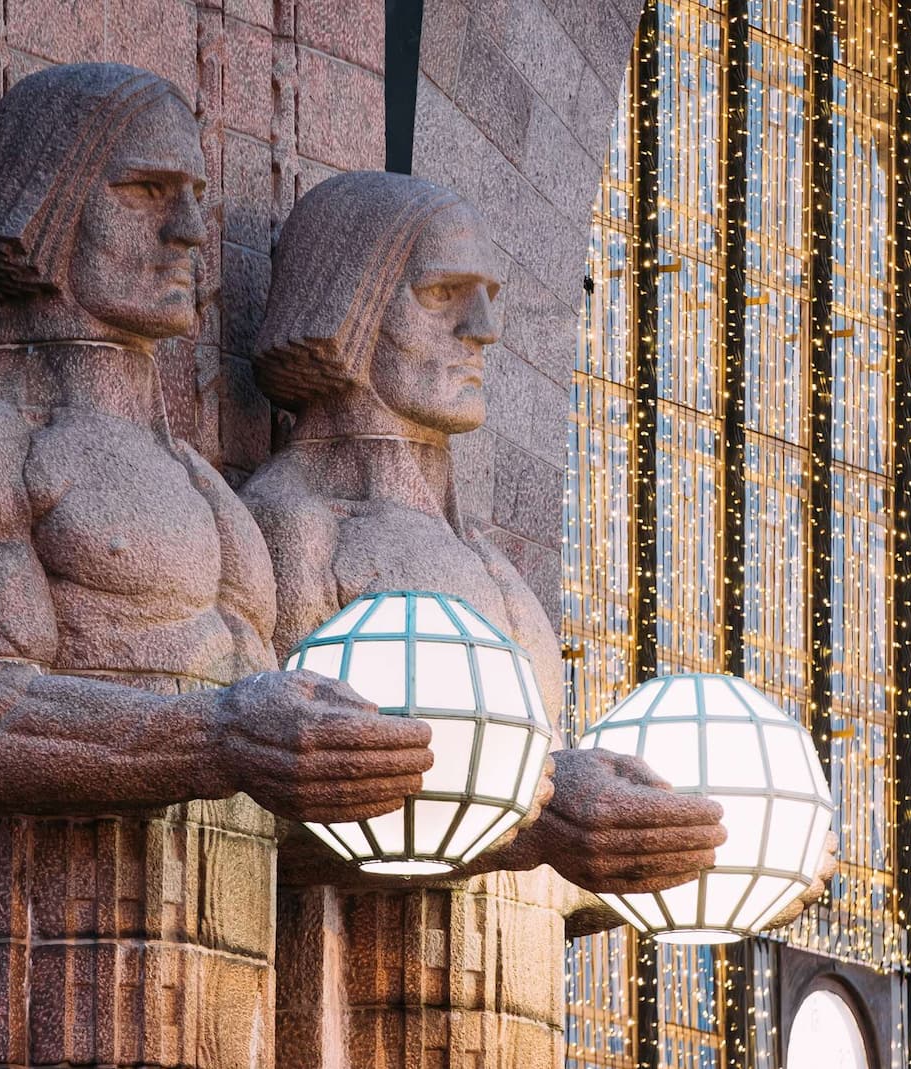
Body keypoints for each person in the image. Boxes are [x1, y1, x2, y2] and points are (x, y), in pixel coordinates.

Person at [0, 66, 433, 1066]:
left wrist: (524, 796)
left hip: (232, 986)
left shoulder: (203, 481)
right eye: (144, 191)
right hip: (38, 972)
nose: (186, 233)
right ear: (44, 203)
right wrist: (221, 728)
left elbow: (279, 778)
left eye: (199, 201)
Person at [244, 171, 828, 1066]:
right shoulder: (295, 524)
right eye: (443, 293)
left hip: (514, 1021)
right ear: (346, 303)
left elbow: (537, 841)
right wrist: (542, 826)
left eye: (489, 297)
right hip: (354, 1018)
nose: (483, 328)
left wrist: (690, 854)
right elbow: (256, 811)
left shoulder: (486, 561)